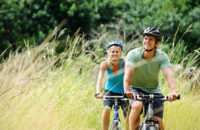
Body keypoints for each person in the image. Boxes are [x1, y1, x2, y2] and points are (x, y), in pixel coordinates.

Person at [124, 27, 179, 130]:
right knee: (136, 106)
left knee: (158, 121)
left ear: (156, 44)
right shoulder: (133, 54)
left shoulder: (162, 57)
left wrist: (173, 91)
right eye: (145, 38)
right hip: (135, 89)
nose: (147, 41)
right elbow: (128, 75)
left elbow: (169, 75)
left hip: (154, 91)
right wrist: (127, 90)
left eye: (151, 39)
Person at [95, 41, 129, 130]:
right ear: (108, 52)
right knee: (106, 109)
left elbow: (130, 77)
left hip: (124, 91)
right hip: (110, 91)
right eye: (112, 52)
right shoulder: (105, 64)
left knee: (128, 116)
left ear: (120, 53)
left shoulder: (125, 63)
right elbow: (100, 79)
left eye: (117, 52)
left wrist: (129, 91)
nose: (114, 54)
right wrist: (98, 92)